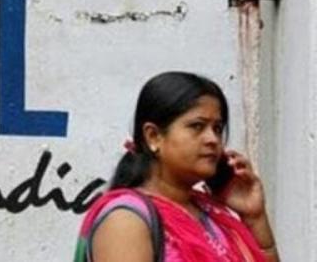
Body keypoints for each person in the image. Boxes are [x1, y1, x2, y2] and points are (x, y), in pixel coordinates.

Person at [74, 72, 279, 262]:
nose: (213, 139)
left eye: (217, 128)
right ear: (153, 136)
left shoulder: (211, 215)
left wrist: (255, 218)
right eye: (197, 126)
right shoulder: (126, 220)